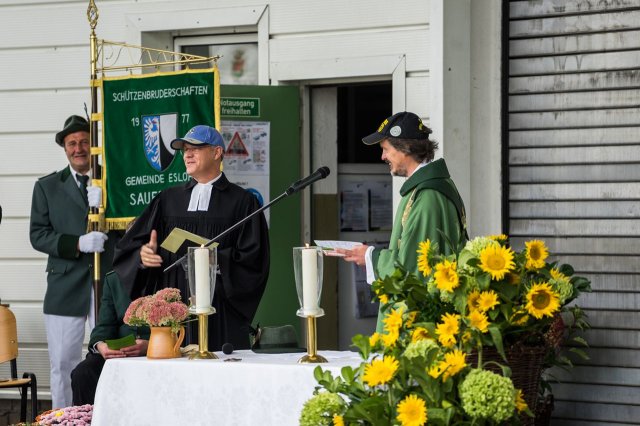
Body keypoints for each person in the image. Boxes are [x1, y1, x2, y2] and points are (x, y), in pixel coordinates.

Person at [113, 125, 270, 351]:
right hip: (174, 310)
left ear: (216, 153)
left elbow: (254, 261)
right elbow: (131, 246)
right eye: (184, 149)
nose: (187, 154)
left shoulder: (243, 202)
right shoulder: (167, 200)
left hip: (220, 308)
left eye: (195, 148)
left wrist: (216, 260)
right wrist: (143, 256)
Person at [338, 111, 468, 331]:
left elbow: (413, 270)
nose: (382, 157)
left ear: (405, 149)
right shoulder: (427, 189)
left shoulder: (427, 196)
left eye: (385, 149)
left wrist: (370, 256)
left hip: (420, 327)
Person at [30, 114, 119, 408]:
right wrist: (77, 243)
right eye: (72, 143)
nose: (78, 148)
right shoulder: (47, 186)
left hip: (105, 284)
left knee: (109, 358)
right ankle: (64, 417)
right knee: (63, 361)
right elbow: (38, 235)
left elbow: (131, 229)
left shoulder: (113, 182)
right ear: (65, 148)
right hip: (64, 287)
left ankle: (104, 415)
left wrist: (107, 209)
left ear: (93, 146)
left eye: (84, 141)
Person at [70, 270, 150, 405]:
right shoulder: (113, 278)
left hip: (159, 352)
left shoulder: (172, 273)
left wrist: (150, 345)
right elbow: (105, 325)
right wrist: (101, 345)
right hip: (120, 354)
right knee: (83, 373)